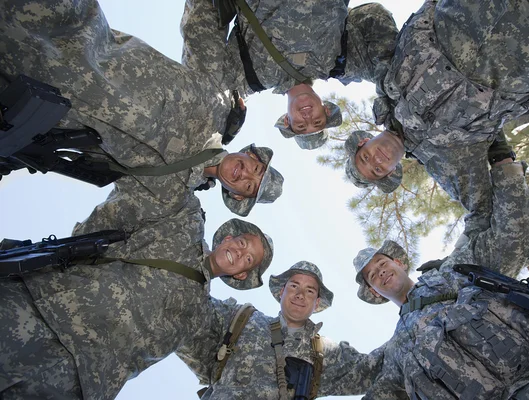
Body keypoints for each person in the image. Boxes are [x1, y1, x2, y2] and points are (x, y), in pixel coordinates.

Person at [0, 0, 283, 216]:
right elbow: (203, 25)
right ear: (249, 154)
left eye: (248, 186)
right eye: (256, 168)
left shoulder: (166, 194)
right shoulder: (220, 104)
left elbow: (113, 227)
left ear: (235, 196)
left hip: (29, 97)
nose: (245, 174)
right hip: (71, 28)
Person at [352, 158, 529, 399]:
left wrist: (504, 165)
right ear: (374, 292)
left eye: (382, 263)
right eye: (372, 275)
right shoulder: (397, 352)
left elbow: (517, 235)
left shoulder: (453, 272)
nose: (380, 271)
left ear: (399, 263)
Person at [344, 0, 529, 232]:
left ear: (364, 141)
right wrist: (453, 273)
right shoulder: (449, 162)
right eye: (378, 169)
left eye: (365, 157)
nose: (377, 159)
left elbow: (369, 18)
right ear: (391, 172)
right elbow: (487, 217)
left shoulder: (384, 79)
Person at [0, 191, 274, 400]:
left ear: (241, 274)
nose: (239, 252)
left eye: (247, 258)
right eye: (241, 243)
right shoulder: (183, 227)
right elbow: (153, 184)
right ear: (226, 239)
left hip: (74, 379)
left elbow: (224, 367)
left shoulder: (200, 317)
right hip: (38, 312)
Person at [201, 0, 399, 149]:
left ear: (287, 120)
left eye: (301, 125)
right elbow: (374, 15)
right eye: (317, 121)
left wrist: (220, 129)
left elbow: (208, 89)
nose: (307, 117)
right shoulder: (342, 62)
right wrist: (390, 93)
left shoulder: (250, 78)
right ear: (326, 110)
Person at [178, 261, 384, 399]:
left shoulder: (327, 353)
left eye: (310, 290)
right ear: (281, 292)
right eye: (294, 286)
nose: (300, 294)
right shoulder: (241, 318)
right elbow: (189, 307)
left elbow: (378, 368)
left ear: (317, 303)